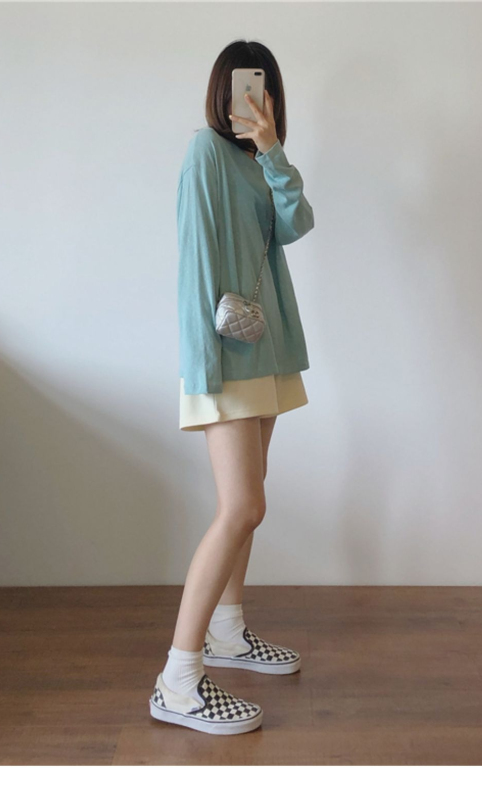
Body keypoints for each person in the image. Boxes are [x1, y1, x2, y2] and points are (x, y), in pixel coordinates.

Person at [149, 40, 315, 735]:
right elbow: (194, 261)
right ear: (222, 91)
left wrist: (272, 148)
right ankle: (178, 680)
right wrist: (202, 369)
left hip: (266, 349)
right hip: (225, 356)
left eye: (263, 88)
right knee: (242, 506)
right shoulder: (205, 154)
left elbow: (297, 224)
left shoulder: (256, 160)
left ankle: (227, 632)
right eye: (244, 86)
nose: (252, 98)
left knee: (250, 506)